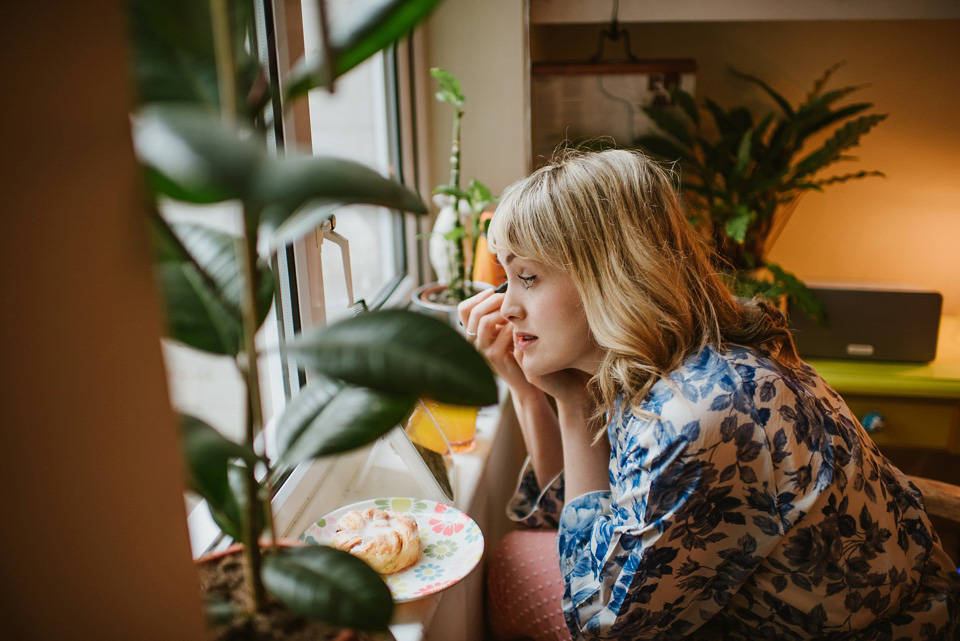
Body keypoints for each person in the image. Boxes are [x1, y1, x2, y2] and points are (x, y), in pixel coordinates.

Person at [458, 149, 960, 641]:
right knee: (515, 559)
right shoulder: (667, 356)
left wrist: (565, 402)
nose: (506, 306)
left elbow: (598, 623)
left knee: (509, 570)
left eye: (526, 277)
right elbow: (583, 527)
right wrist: (551, 398)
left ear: (613, 275)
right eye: (505, 277)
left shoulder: (695, 413)